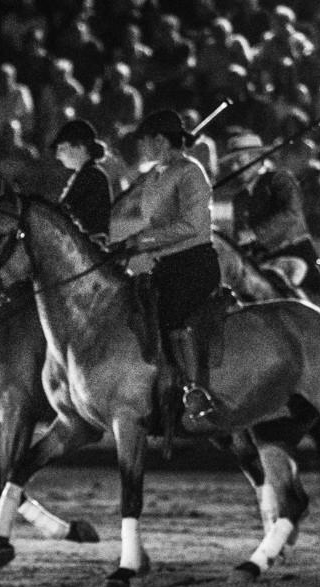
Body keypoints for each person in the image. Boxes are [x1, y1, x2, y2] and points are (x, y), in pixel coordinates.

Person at [109, 109, 221, 424]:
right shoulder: (157, 174)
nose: (140, 148)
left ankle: (192, 390)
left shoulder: (190, 172)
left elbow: (191, 225)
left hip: (194, 264)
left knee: (168, 316)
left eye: (143, 141)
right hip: (167, 265)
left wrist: (139, 241)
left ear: (159, 140)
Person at [220, 131, 320, 323]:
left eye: (240, 161)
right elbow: (239, 234)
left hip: (295, 253)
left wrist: (255, 234)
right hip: (261, 262)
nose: (235, 167)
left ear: (258, 160)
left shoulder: (280, 180)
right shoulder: (239, 198)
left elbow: (291, 214)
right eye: (232, 163)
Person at [51, 118, 111, 238]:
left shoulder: (91, 175)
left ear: (80, 147)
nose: (58, 156)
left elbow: (64, 213)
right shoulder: (87, 173)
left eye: (62, 149)